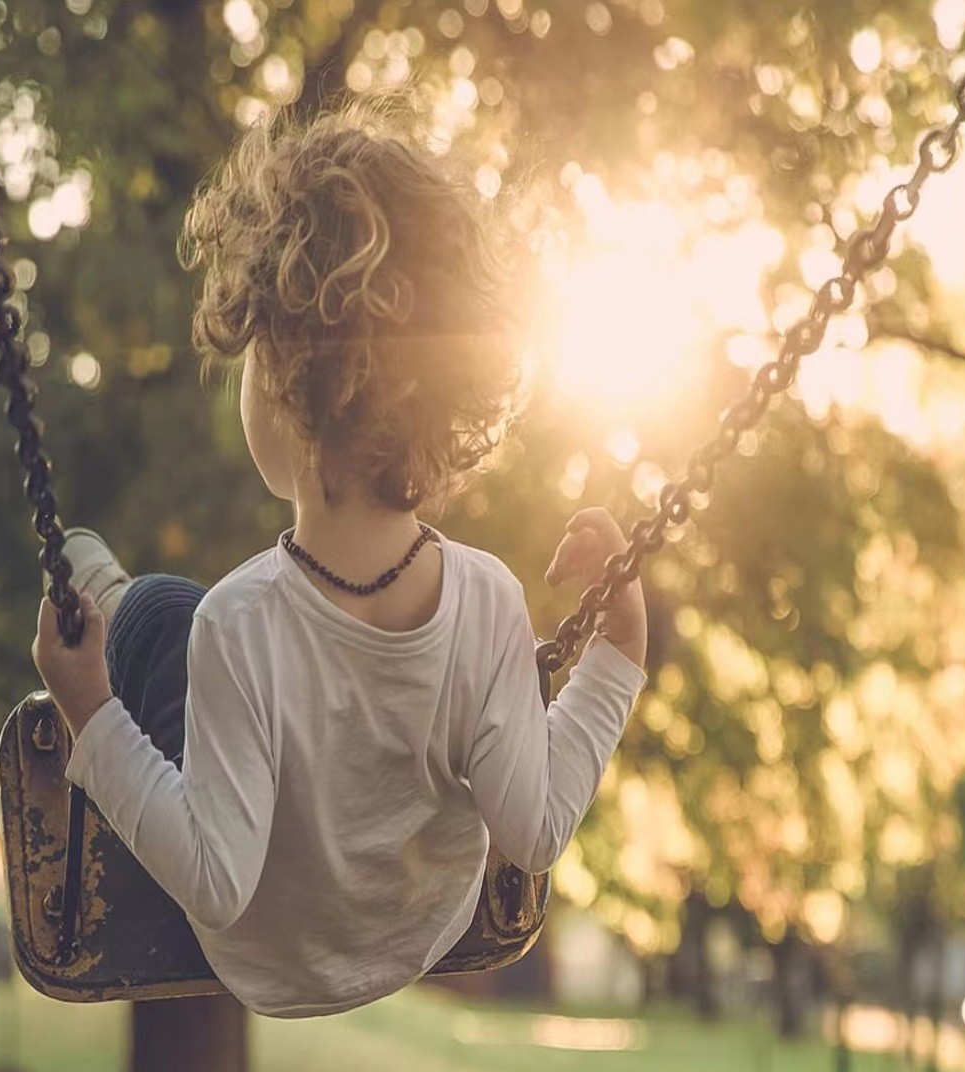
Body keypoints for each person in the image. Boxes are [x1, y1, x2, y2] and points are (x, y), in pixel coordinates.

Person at [32, 103, 647, 1020]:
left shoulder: (236, 625)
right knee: (181, 625)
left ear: (287, 383)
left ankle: (113, 602)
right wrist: (615, 658)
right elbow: (537, 824)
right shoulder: (486, 599)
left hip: (269, 956)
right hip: (417, 934)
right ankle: (119, 601)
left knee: (159, 615)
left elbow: (216, 881)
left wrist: (90, 715)